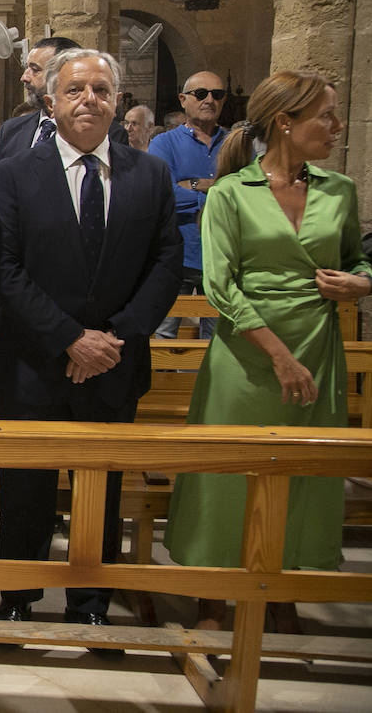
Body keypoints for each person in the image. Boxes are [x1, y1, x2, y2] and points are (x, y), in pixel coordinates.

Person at [0, 48, 182, 639]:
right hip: (34, 360)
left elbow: (167, 262)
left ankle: (90, 598)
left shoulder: (149, 173)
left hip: (115, 361)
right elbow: (4, 267)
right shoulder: (16, 172)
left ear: (118, 101)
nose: (88, 99)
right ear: (50, 102)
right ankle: (17, 593)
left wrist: (114, 339)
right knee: (26, 485)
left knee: (101, 485)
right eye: (74, 90)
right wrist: (70, 338)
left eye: (100, 89)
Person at [164, 70, 371, 634]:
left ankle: (286, 585)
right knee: (227, 468)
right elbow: (220, 284)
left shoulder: (340, 191)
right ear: (286, 120)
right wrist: (279, 355)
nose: (336, 125)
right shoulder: (232, 192)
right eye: (325, 115)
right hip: (248, 352)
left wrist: (362, 283)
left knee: (305, 467)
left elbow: (359, 258)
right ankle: (212, 590)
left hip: (318, 343)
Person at [0, 36, 128, 420]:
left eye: (35, 69)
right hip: (19, 313)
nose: (25, 76)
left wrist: (97, 338)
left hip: (103, 336)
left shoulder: (128, 156)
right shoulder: (13, 132)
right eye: (75, 90)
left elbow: (155, 258)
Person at [149, 72, 229, 340]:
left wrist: (188, 185)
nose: (209, 100)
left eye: (217, 95)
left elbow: (246, 195)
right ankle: (162, 382)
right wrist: (209, 188)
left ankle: (210, 383)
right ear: (183, 100)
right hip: (177, 254)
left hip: (222, 256)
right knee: (163, 333)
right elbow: (162, 195)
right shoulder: (164, 143)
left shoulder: (235, 144)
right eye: (201, 94)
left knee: (217, 339)